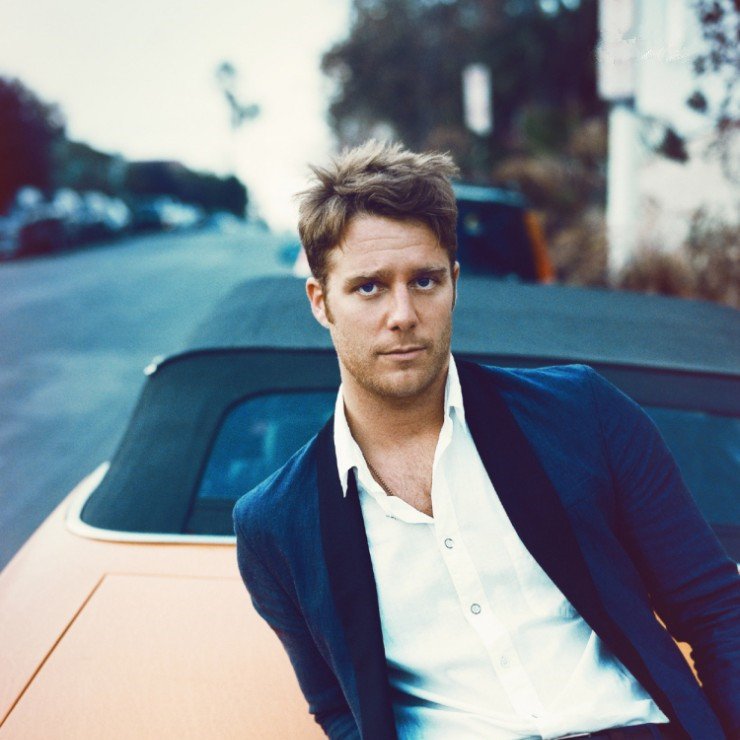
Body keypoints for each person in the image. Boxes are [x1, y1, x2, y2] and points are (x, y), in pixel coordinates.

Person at [233, 140, 740, 740]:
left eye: (424, 281)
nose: (403, 314)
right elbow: (339, 707)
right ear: (321, 302)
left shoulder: (582, 413)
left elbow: (715, 610)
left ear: (454, 283)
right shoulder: (275, 524)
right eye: (368, 287)